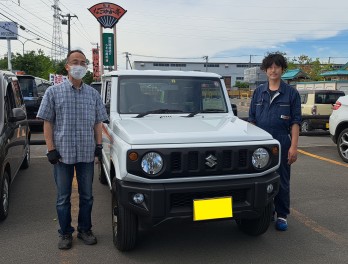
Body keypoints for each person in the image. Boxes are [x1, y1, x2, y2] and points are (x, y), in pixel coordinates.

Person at [37, 50, 108, 249]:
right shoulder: (53, 92)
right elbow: (48, 122)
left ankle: (85, 229)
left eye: (83, 63)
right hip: (62, 155)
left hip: (86, 153)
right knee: (63, 198)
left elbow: (97, 122)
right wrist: (50, 149)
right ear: (67, 66)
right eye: (75, 62)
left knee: (87, 195)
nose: (79, 66)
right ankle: (65, 233)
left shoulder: (93, 94)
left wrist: (99, 146)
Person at [248, 52, 301, 231]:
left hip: (281, 141)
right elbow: (252, 121)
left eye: (277, 66)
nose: (273, 70)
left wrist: (293, 147)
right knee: (260, 179)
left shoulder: (291, 94)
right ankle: (266, 211)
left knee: (282, 180)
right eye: (270, 67)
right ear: (265, 70)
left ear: (282, 69)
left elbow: (295, 122)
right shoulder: (258, 92)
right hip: (260, 143)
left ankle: (282, 215)